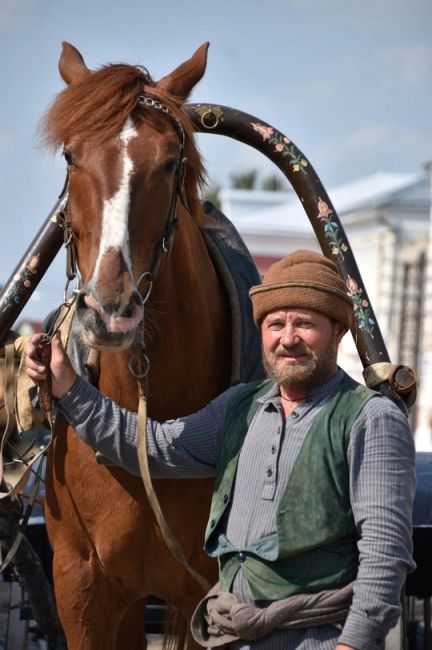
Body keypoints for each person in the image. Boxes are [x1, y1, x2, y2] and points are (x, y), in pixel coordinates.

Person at [25, 250, 416, 650]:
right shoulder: (241, 407)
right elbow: (154, 446)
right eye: (275, 324)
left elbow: (385, 554)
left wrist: (352, 645)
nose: (288, 338)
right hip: (231, 636)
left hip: (315, 638)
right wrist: (69, 387)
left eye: (305, 324)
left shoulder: (370, 418)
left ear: (338, 331)